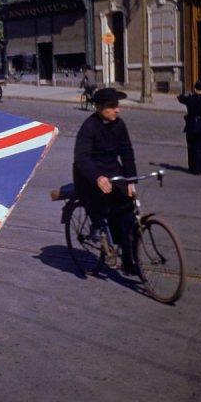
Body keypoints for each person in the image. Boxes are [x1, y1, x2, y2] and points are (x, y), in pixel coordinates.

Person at [73, 88, 137, 273]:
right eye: (112, 106)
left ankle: (128, 261)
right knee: (101, 206)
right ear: (99, 107)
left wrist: (131, 179)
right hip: (88, 176)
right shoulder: (89, 127)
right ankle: (98, 227)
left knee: (127, 213)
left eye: (117, 106)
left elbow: (126, 152)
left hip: (113, 172)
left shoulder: (119, 124)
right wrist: (97, 177)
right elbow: (82, 158)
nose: (117, 110)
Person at [177, 81, 201, 175]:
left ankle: (192, 167)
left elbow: (180, 97)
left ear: (195, 89)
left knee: (191, 147)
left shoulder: (189, 99)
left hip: (190, 125)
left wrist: (186, 93)